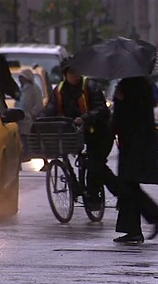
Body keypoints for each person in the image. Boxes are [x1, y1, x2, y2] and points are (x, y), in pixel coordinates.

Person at [42, 57, 117, 207]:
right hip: (75, 133)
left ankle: (100, 195)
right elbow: (51, 108)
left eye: (77, 72)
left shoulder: (91, 87)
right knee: (69, 155)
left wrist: (84, 118)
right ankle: (77, 186)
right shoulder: (59, 91)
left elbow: (100, 109)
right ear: (65, 74)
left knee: (94, 164)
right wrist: (42, 119)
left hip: (99, 132)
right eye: (71, 72)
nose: (75, 75)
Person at [111, 77, 158, 243]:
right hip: (138, 142)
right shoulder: (144, 85)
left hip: (133, 143)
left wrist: (120, 99)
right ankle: (133, 230)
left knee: (128, 184)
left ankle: (155, 218)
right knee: (129, 185)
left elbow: (124, 115)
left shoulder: (130, 86)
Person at [17, 68, 44, 136]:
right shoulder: (21, 90)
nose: (20, 80)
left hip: (30, 121)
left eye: (22, 78)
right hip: (20, 120)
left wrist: (31, 114)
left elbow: (39, 105)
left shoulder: (35, 89)